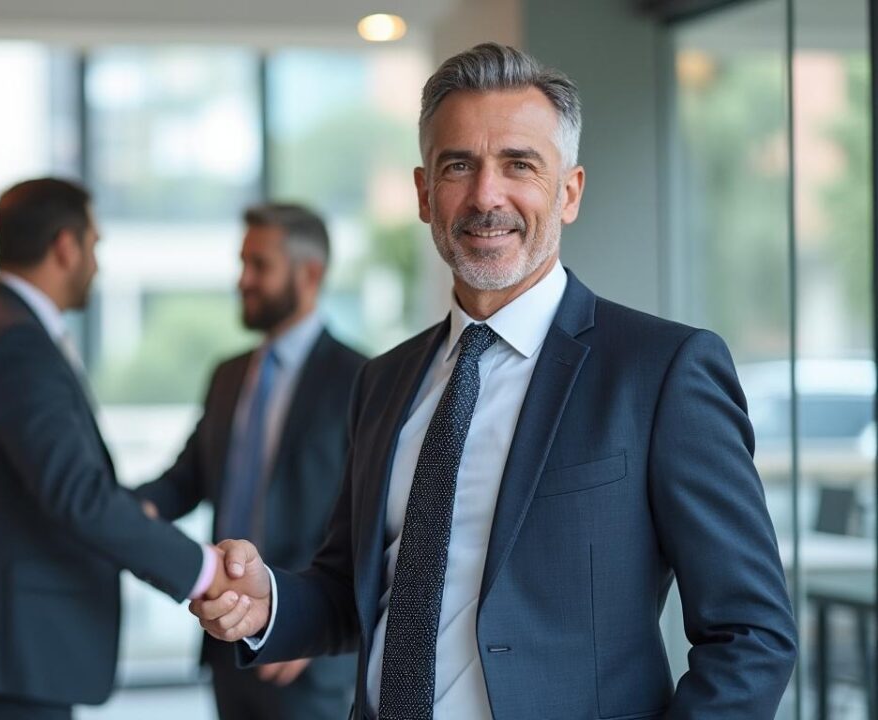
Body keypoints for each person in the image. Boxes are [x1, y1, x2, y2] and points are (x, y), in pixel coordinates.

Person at [190, 43, 797, 719]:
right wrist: (269, 600)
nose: (486, 196)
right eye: (459, 165)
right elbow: (351, 591)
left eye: (519, 165)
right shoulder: (384, 382)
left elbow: (752, 635)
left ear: (568, 192)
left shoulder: (660, 371)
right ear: (424, 194)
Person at [0, 178, 236, 719]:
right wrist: (201, 571)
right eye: (94, 244)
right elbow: (76, 495)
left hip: (7, 642)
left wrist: (136, 510)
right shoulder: (14, 340)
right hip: (13, 646)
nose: (97, 262)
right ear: (65, 246)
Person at [134, 203, 364, 720]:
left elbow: (373, 526)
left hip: (305, 658)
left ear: (311, 274)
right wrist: (115, 511)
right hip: (224, 639)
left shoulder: (362, 380)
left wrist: (318, 634)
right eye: (242, 263)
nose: (243, 280)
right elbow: (185, 479)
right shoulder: (229, 376)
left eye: (259, 265)